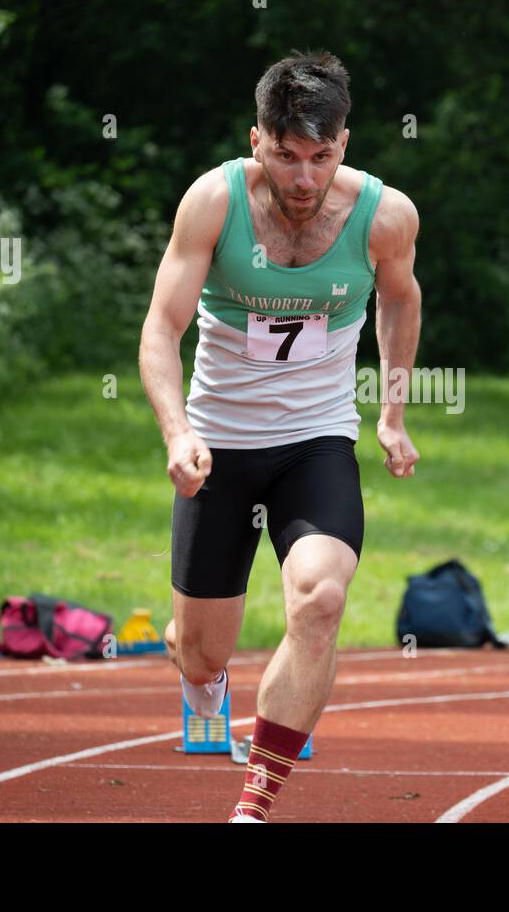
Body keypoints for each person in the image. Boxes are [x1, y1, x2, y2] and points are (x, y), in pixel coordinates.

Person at [139, 50, 422, 823]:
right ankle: (204, 683)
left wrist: (391, 412)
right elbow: (161, 330)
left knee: (320, 599)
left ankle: (254, 804)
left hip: (315, 442)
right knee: (202, 650)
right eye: (287, 156)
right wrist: (177, 431)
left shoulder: (385, 216)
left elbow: (400, 303)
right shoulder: (215, 203)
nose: (304, 178)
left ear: (345, 145)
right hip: (219, 444)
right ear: (256, 140)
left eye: (322, 157)